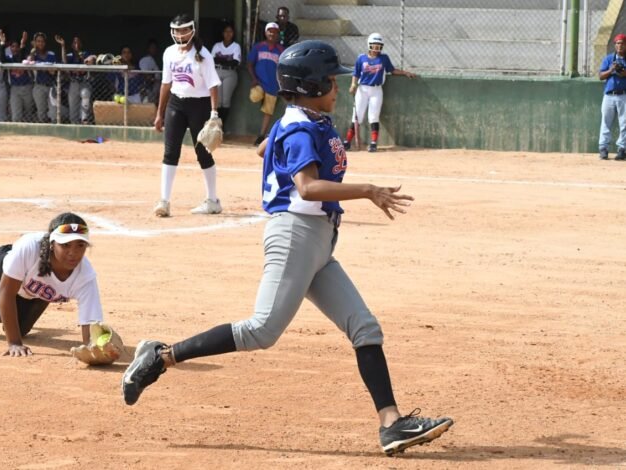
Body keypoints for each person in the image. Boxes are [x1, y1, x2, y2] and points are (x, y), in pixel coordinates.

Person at [121, 40, 453, 457]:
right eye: (329, 82)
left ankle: (391, 424)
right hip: (295, 234)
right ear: (308, 87)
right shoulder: (299, 126)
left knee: (364, 327)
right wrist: (368, 190)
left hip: (318, 241)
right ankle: (160, 356)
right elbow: (308, 186)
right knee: (261, 331)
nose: (336, 88)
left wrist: (278, 141)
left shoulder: (300, 120)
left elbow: (264, 149)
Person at [0, 213, 107, 357]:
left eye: (80, 245)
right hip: (2, 274)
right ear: (53, 244)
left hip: (34, 294)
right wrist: (14, 343)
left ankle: (6, 310)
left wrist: (94, 351)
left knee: (18, 330)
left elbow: (91, 324)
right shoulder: (29, 248)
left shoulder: (85, 276)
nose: (73, 252)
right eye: (65, 245)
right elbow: (6, 291)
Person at [152, 14, 223, 217]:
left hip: (199, 106)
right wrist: (160, 113)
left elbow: (213, 86)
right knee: (170, 152)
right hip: (176, 103)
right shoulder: (169, 53)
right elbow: (166, 84)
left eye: (184, 29)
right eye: (176, 30)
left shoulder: (203, 54)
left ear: (192, 30)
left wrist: (213, 113)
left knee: (203, 153)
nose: (180, 34)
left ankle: (212, 200)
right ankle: (164, 201)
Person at [345, 33, 415, 153]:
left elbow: (392, 70)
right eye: (374, 46)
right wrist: (353, 84)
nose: (376, 49)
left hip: (376, 90)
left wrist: (404, 72)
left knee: (373, 116)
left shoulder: (383, 58)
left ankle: (373, 143)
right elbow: (356, 73)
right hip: (362, 89)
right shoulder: (361, 58)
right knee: (357, 116)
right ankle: (347, 141)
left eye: (379, 46)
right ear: (369, 46)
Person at [247, 22, 285, 146]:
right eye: (270, 31)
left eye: (274, 32)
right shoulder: (258, 46)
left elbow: (283, 68)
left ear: (278, 34)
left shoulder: (281, 50)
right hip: (259, 83)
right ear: (265, 32)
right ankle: (262, 96)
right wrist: (254, 78)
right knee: (254, 97)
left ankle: (261, 135)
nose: (272, 34)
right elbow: (250, 64)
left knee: (268, 111)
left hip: (273, 86)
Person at [598, 33, 626, 160]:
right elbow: (600, 76)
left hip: (623, 95)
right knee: (605, 121)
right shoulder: (609, 59)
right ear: (615, 45)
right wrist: (611, 70)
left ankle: (622, 149)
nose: (620, 46)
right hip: (609, 95)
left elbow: (623, 74)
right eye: (618, 43)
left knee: (624, 123)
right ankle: (603, 148)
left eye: (622, 43)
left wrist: (622, 72)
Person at [211, 22, 241, 130]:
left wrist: (221, 60)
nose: (228, 34)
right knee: (217, 101)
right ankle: (216, 128)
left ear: (233, 33)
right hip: (217, 72)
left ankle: (222, 127)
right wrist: (227, 60)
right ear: (222, 33)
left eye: (230, 31)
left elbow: (235, 63)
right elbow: (212, 60)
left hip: (230, 73)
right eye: (226, 31)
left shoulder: (236, 46)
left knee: (225, 101)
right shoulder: (217, 45)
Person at [0, 30, 34, 122]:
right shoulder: (10, 58)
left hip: (27, 87)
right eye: (12, 46)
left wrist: (23, 45)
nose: (14, 48)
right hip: (15, 88)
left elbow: (21, 59)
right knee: (16, 115)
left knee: (29, 112)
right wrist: (2, 43)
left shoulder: (25, 57)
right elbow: (2, 59)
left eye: (16, 46)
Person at [60, 35, 94, 124]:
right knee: (73, 105)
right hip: (73, 82)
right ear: (71, 45)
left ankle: (84, 120)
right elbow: (64, 62)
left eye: (78, 42)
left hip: (84, 81)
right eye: (74, 42)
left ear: (81, 44)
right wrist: (63, 46)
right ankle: (74, 123)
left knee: (85, 95)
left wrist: (80, 54)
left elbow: (89, 61)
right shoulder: (70, 55)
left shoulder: (86, 53)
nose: (76, 44)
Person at [29, 32, 57, 123]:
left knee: (53, 112)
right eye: (38, 41)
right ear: (35, 43)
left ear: (45, 43)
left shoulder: (51, 54)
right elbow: (29, 64)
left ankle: (53, 130)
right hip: (38, 86)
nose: (40, 43)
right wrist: (33, 52)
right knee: (41, 112)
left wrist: (45, 68)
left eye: (42, 41)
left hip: (51, 86)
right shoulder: (34, 55)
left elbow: (53, 72)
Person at [138, 39, 161, 105]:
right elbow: (145, 74)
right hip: (148, 89)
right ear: (148, 49)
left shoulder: (152, 59)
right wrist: (153, 80)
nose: (154, 49)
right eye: (152, 48)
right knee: (148, 104)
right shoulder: (145, 60)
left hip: (155, 89)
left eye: (155, 48)